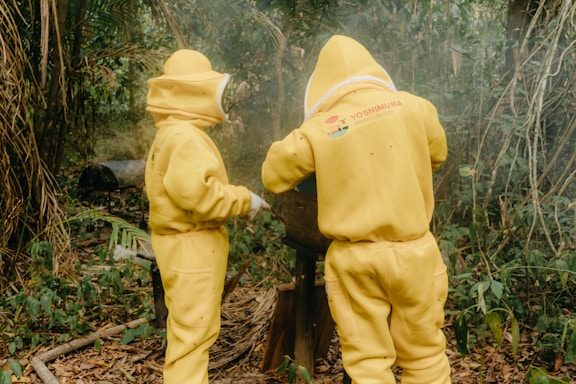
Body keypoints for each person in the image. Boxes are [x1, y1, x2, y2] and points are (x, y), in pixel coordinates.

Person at [261, 35, 450, 384]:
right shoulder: (415, 107)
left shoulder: (321, 128)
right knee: (425, 356)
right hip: (416, 255)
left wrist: (321, 144)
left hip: (356, 262)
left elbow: (273, 175)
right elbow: (437, 155)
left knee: (368, 366)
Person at [144, 49, 270, 384]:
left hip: (180, 246)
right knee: (192, 339)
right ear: (193, 91)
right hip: (192, 248)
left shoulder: (170, 133)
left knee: (189, 332)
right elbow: (198, 196)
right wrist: (245, 199)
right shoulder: (185, 137)